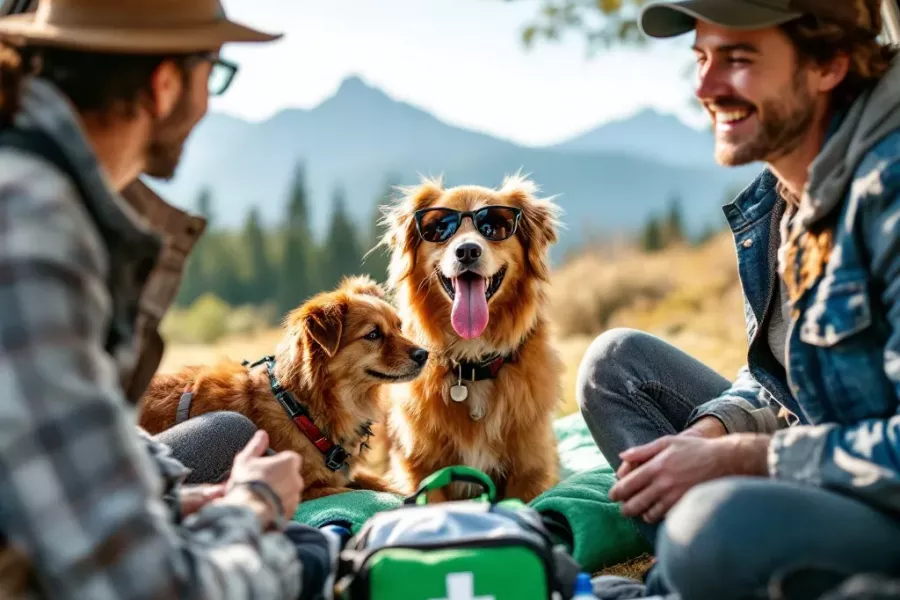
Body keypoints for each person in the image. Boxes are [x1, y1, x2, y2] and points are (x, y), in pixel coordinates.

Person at [0, 0, 340, 598]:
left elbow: (61, 441)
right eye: (214, 73)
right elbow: (149, 589)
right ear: (164, 83)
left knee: (230, 438)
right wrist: (254, 510)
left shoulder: (33, 188)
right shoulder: (32, 231)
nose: (210, 102)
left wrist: (189, 504)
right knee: (305, 553)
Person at [578, 0, 900, 598]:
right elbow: (785, 382)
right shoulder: (780, 198)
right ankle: (699, 567)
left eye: (739, 58)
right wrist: (709, 435)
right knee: (615, 365)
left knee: (715, 530)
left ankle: (697, 563)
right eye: (701, 57)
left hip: (880, 498)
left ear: (829, 62)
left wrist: (749, 461)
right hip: (821, 461)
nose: (704, 84)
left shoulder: (889, 192)